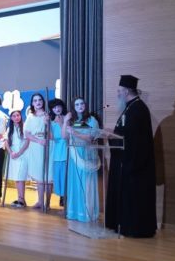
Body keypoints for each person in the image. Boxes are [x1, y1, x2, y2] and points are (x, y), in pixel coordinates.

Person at [105, 75, 157, 238]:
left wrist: (113, 136)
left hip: (135, 164)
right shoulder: (131, 108)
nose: (118, 94)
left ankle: (133, 228)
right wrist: (112, 134)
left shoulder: (138, 109)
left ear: (126, 91)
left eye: (119, 91)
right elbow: (125, 133)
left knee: (134, 198)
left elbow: (134, 140)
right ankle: (122, 224)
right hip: (126, 160)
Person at [63, 97, 100, 222]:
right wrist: (65, 121)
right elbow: (64, 136)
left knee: (86, 184)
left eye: (82, 104)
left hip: (86, 155)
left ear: (85, 105)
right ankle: (75, 213)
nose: (80, 106)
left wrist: (75, 133)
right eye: (77, 104)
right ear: (74, 107)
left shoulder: (91, 120)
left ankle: (87, 213)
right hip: (74, 156)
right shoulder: (73, 121)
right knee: (75, 184)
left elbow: (90, 138)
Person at [24, 93, 52, 209]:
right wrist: (38, 140)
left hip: (48, 146)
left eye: (40, 100)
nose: (38, 102)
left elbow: (52, 134)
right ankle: (40, 201)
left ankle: (47, 203)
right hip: (36, 147)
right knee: (39, 176)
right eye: (35, 100)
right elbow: (27, 134)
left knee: (48, 177)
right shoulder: (30, 117)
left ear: (43, 102)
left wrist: (47, 123)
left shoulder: (48, 115)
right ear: (32, 103)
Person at [5, 109, 29, 208]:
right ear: (11, 118)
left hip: (23, 155)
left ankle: (21, 199)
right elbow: (6, 142)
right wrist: (11, 152)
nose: (16, 117)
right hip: (13, 155)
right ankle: (20, 199)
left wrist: (19, 153)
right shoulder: (9, 129)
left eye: (18, 115)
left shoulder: (25, 127)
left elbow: (27, 142)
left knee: (20, 178)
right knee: (17, 178)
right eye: (14, 116)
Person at [48, 99, 68, 206]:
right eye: (54, 107)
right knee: (58, 176)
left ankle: (66, 197)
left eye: (59, 106)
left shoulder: (67, 119)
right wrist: (47, 124)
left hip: (66, 151)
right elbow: (51, 137)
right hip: (56, 153)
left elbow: (66, 136)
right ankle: (61, 196)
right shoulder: (51, 122)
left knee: (65, 176)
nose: (57, 109)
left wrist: (61, 123)